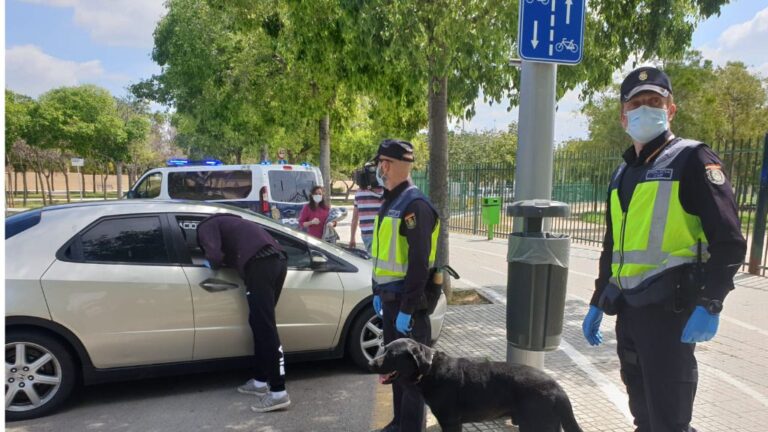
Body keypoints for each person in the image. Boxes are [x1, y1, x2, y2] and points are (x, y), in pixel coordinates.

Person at [582, 66, 746, 432]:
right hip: (629, 311)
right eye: (636, 103)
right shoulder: (622, 174)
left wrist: (711, 301)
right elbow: (613, 245)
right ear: (623, 115)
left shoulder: (692, 159)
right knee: (643, 417)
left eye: (654, 102)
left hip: (671, 314)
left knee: (669, 422)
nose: (645, 108)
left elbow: (730, 240)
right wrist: (598, 299)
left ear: (671, 110)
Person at [370, 139, 440, 432]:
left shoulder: (415, 205)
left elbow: (419, 264)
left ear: (389, 165)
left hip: (407, 305)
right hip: (390, 301)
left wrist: (408, 308)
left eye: (381, 163)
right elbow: (383, 255)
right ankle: (399, 423)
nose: (379, 169)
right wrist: (377, 291)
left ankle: (410, 428)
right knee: (397, 369)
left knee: (413, 376)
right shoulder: (391, 201)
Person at [196, 213, 291, 413]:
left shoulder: (205, 227)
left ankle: (278, 392)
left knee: (265, 327)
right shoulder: (232, 221)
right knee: (258, 322)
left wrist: (210, 262)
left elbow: (214, 257)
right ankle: (259, 381)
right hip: (278, 260)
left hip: (260, 264)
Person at [350, 173, 384, 251]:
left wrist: (352, 238)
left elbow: (354, 219)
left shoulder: (359, 193)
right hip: (383, 233)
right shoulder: (387, 193)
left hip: (367, 235)